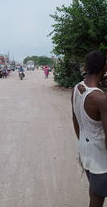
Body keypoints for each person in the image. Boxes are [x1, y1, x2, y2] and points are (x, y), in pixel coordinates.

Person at [71, 50, 107, 207]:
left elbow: (75, 121)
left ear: (85, 67)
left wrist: (83, 141)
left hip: (85, 150)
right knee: (98, 199)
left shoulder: (77, 88)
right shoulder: (99, 98)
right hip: (100, 157)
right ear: (104, 68)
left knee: (95, 193)